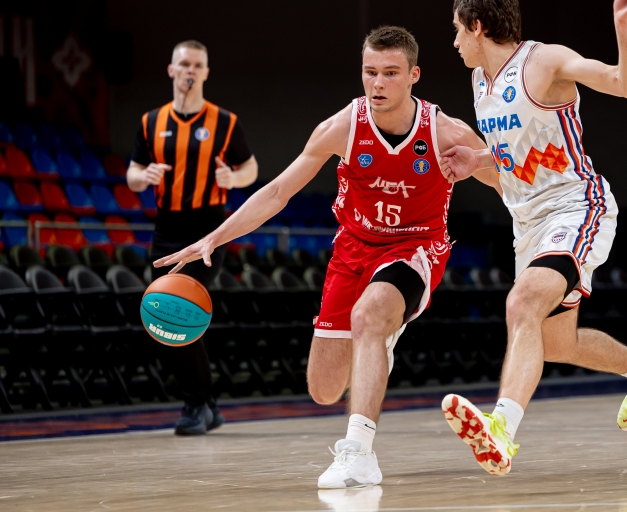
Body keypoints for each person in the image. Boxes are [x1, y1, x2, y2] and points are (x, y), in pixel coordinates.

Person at [154, 26, 500, 488]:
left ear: (414, 75)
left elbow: (508, 180)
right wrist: (213, 239)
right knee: (323, 388)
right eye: (370, 72)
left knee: (370, 314)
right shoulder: (341, 127)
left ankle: (359, 452)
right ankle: (376, 341)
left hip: (415, 247)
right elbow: (277, 191)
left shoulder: (444, 132)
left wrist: (500, 184)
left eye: (391, 73)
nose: (378, 83)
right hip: (353, 249)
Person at [438, 0, 627, 476]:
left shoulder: (544, 61)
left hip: (575, 206)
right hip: (528, 222)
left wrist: (622, 28)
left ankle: (501, 430)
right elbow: (514, 155)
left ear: (478, 26)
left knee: (522, 302)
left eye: (458, 30)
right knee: (556, 343)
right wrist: (477, 161)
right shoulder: (480, 82)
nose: (455, 41)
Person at [127, 40, 258, 435]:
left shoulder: (225, 122)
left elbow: (250, 168)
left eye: (197, 65)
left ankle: (196, 404)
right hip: (166, 228)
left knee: (176, 307)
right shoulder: (151, 121)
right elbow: (132, 174)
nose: (190, 70)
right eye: (184, 64)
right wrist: (144, 176)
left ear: (206, 72)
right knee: (161, 315)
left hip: (208, 230)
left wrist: (233, 178)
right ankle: (206, 404)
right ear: (171, 70)